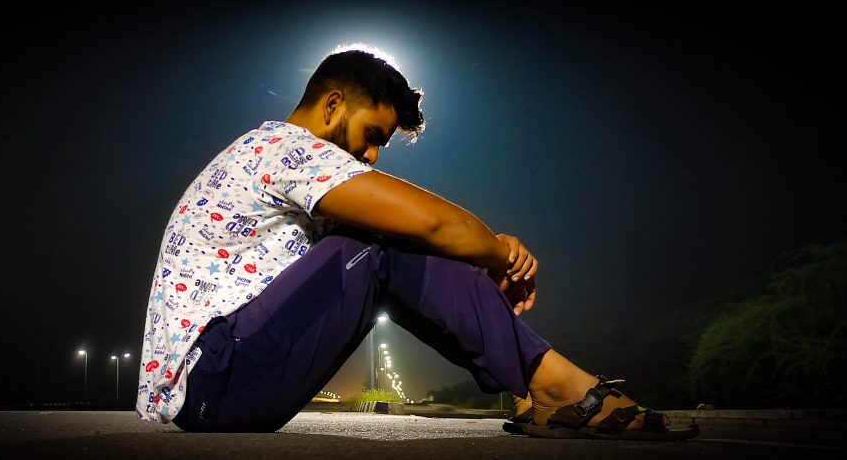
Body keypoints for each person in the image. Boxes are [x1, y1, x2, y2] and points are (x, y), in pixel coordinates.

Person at [135, 45, 697, 441]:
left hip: (218, 385)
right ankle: (557, 385)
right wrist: (500, 252)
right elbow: (433, 226)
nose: (372, 157)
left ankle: (534, 390)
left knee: (386, 250)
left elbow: (429, 261)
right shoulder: (287, 149)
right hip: (214, 381)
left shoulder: (266, 153)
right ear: (332, 106)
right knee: (381, 242)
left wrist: (479, 268)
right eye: (371, 136)